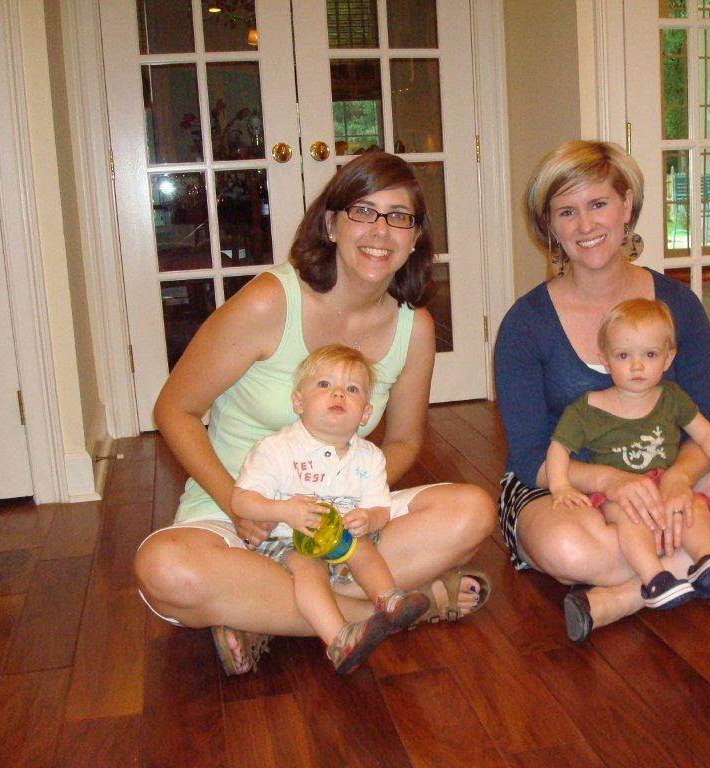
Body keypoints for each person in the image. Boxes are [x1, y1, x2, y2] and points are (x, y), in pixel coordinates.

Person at [135, 151, 495, 675]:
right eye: (363, 211)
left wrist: (363, 504)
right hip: (239, 515)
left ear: (416, 237)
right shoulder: (270, 301)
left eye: (399, 217)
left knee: (473, 512)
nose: (381, 231)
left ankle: (260, 610)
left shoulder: (413, 327)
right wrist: (237, 504)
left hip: (342, 521)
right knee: (165, 570)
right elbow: (175, 408)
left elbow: (403, 442)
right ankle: (405, 607)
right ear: (330, 224)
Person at [494, 140, 710, 643]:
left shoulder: (678, 306)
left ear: (627, 207)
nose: (586, 225)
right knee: (571, 552)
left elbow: (707, 426)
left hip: (663, 473)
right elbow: (530, 455)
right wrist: (611, 481)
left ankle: (624, 597)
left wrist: (679, 481)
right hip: (561, 484)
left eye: (598, 203)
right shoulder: (525, 324)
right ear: (550, 226)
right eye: (567, 212)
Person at [230, 345, 430, 674]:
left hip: (341, 540)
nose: (338, 393)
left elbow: (381, 509)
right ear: (298, 402)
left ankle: (390, 602)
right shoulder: (277, 449)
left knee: (364, 548)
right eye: (324, 384)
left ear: (365, 413)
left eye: (352, 389)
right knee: (309, 569)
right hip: (288, 541)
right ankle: (339, 640)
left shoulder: (369, 457)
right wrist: (284, 511)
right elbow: (241, 501)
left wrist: (368, 518)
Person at [546, 299, 710, 610]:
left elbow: (707, 434)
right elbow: (558, 448)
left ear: (668, 358)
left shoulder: (672, 398)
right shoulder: (587, 409)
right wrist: (560, 486)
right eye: (623, 355)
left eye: (650, 355)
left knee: (692, 507)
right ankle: (655, 579)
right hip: (618, 495)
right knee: (630, 519)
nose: (637, 366)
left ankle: (708, 561)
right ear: (605, 360)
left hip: (665, 483)